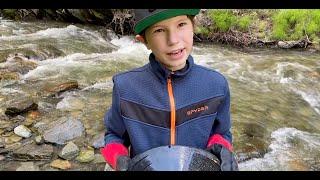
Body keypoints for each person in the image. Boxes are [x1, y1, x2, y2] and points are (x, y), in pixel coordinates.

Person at [100, 9, 238, 171]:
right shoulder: (126, 87)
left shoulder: (216, 84)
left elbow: (222, 133)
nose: (173, 40)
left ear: (193, 26)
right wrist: (119, 160)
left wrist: (221, 149)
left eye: (181, 24)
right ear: (144, 41)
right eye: (159, 30)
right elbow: (114, 136)